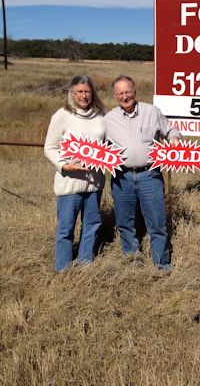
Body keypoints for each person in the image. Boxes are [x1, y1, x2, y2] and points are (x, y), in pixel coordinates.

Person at [104, 75, 181, 272]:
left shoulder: (151, 112)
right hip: (121, 177)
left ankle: (161, 265)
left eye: (128, 92)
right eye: (120, 93)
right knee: (125, 222)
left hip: (150, 176)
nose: (124, 96)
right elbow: (96, 143)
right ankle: (132, 262)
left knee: (157, 223)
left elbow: (170, 130)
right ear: (115, 96)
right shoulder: (108, 119)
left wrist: (174, 139)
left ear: (135, 92)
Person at [44, 74, 106, 272]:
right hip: (69, 183)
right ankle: (62, 269)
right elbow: (50, 147)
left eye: (87, 91)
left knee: (92, 224)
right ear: (72, 93)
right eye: (79, 91)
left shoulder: (101, 115)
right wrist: (64, 165)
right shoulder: (62, 115)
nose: (84, 95)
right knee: (66, 228)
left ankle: (85, 265)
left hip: (94, 183)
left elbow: (109, 145)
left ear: (92, 93)